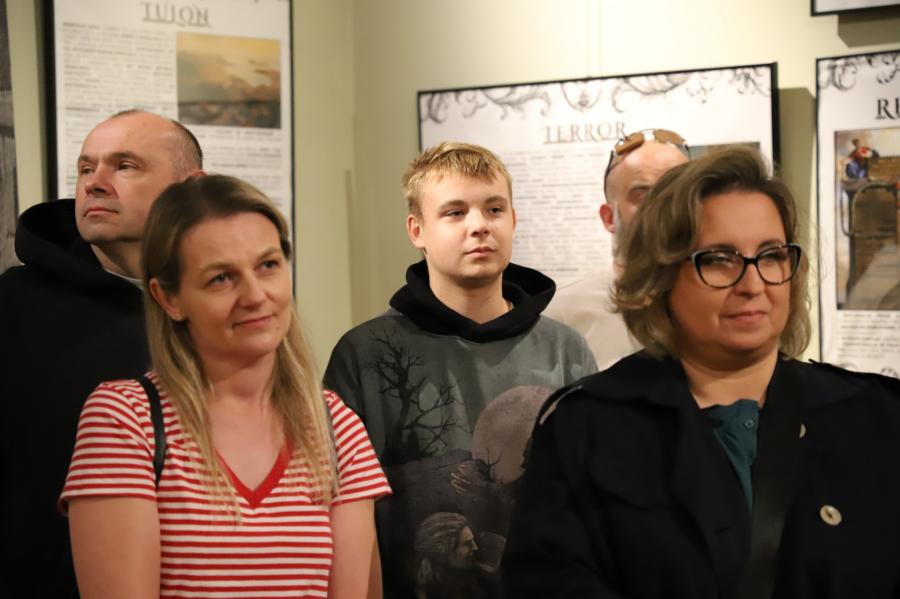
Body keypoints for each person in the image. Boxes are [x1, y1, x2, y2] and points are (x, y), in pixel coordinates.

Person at [502, 147, 900, 598]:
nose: (752, 284)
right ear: (661, 275)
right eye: (718, 259)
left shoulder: (875, 417)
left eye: (771, 255)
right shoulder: (586, 429)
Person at [60, 175, 391, 598]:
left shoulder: (336, 427)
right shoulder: (125, 420)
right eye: (221, 278)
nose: (255, 295)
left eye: (268, 265)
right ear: (169, 299)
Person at [324, 142, 596, 598]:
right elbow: (341, 506)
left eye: (494, 209)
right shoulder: (365, 354)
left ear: (513, 220)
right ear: (417, 230)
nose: (479, 226)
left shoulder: (565, 350)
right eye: (455, 212)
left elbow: (590, 499)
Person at [0, 109, 205, 598]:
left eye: (125, 166)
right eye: (86, 168)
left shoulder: (223, 305)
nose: (94, 183)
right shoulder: (14, 307)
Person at [545, 128, 689, 369]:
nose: (664, 209)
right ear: (609, 217)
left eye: (678, 194)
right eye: (643, 196)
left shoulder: (724, 303)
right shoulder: (561, 314)